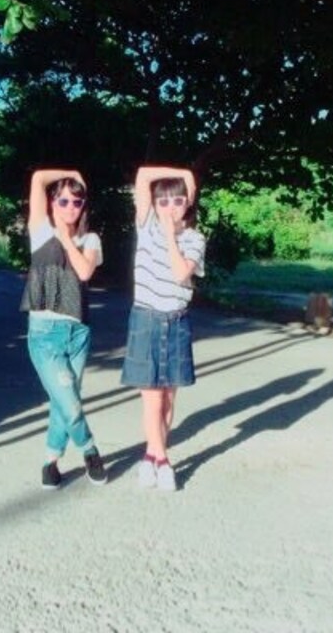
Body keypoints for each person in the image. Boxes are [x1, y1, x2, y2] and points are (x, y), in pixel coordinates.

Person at [20, 169, 108, 489]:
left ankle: (50, 461)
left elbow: (84, 272)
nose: (71, 207)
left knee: (64, 400)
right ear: (52, 202)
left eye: (77, 201)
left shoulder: (90, 239)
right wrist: (71, 174)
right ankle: (90, 450)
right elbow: (38, 179)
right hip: (44, 334)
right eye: (64, 201)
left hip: (78, 333)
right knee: (70, 402)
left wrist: (67, 238)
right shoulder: (40, 230)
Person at [120, 166, 206, 491]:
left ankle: (151, 456)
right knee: (152, 399)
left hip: (177, 320)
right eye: (164, 201)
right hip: (147, 318)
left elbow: (181, 273)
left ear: (188, 203)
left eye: (178, 200)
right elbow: (143, 176)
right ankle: (162, 460)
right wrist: (184, 173)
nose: (170, 207)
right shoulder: (146, 226)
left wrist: (172, 236)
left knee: (169, 397)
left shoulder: (195, 239)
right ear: (154, 205)